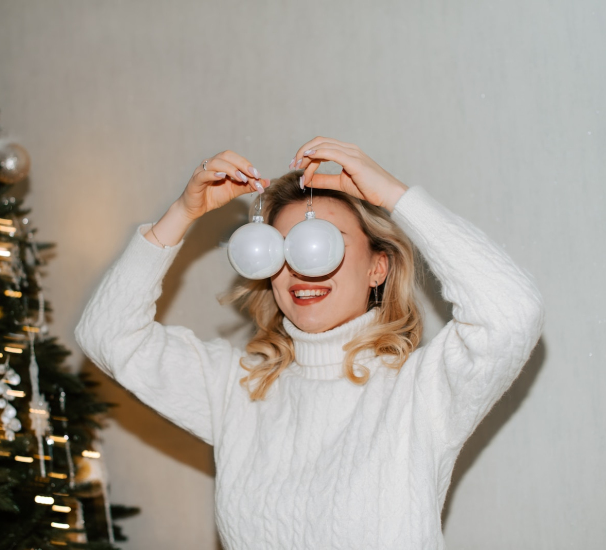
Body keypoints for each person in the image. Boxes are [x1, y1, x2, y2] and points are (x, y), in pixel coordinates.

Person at [75, 136, 544, 549]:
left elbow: (510, 314)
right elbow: (107, 334)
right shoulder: (239, 388)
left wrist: (394, 196)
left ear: (377, 267)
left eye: (324, 244)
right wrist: (183, 212)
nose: (302, 267)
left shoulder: (420, 391)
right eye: (282, 249)